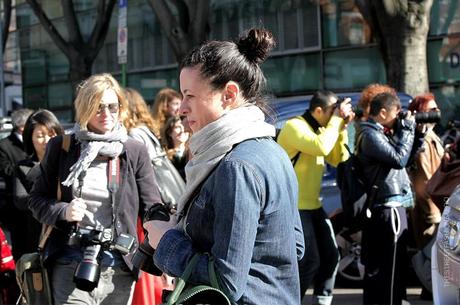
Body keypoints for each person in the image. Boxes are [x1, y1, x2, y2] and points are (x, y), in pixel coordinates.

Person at [143, 28, 305, 305]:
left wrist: (165, 239)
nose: (181, 108)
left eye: (190, 96)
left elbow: (226, 283)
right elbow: (294, 247)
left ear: (229, 94)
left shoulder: (236, 166)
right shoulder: (271, 150)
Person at [28, 73, 162, 305]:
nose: (106, 114)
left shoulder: (133, 150)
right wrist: (63, 211)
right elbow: (36, 199)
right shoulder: (63, 147)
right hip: (69, 261)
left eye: (112, 106)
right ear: (84, 107)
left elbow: (152, 206)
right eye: (98, 107)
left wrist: (166, 239)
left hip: (118, 265)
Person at [277, 90, 354, 304]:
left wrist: (343, 128)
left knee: (331, 256)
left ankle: (323, 299)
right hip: (294, 206)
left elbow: (338, 158)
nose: (335, 114)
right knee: (308, 260)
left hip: (313, 205)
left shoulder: (322, 129)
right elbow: (320, 146)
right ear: (318, 110)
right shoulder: (295, 126)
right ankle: (289, 300)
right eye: (332, 111)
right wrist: (337, 121)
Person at [356, 92, 415, 305]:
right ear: (382, 113)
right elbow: (398, 159)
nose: (398, 117)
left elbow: (403, 158)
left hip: (391, 206)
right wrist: (407, 129)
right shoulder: (371, 135)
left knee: (394, 267)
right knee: (386, 270)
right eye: (395, 113)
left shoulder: (380, 132)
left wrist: (418, 135)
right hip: (385, 208)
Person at [13, 109, 64, 259]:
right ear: (30, 139)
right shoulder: (23, 167)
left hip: (66, 236)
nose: (47, 140)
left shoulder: (69, 163)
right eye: (40, 136)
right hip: (36, 236)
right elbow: (20, 200)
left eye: (51, 134)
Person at [407, 94, 444, 249]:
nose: (437, 111)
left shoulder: (430, 135)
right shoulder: (423, 139)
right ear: (422, 113)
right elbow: (426, 177)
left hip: (434, 206)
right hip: (430, 210)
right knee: (430, 256)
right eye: (432, 109)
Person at [0, 108, 33, 239]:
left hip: (36, 201)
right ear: (22, 127)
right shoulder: (4, 145)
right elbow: (6, 170)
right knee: (20, 243)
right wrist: (29, 170)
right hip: (15, 205)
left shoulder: (35, 140)